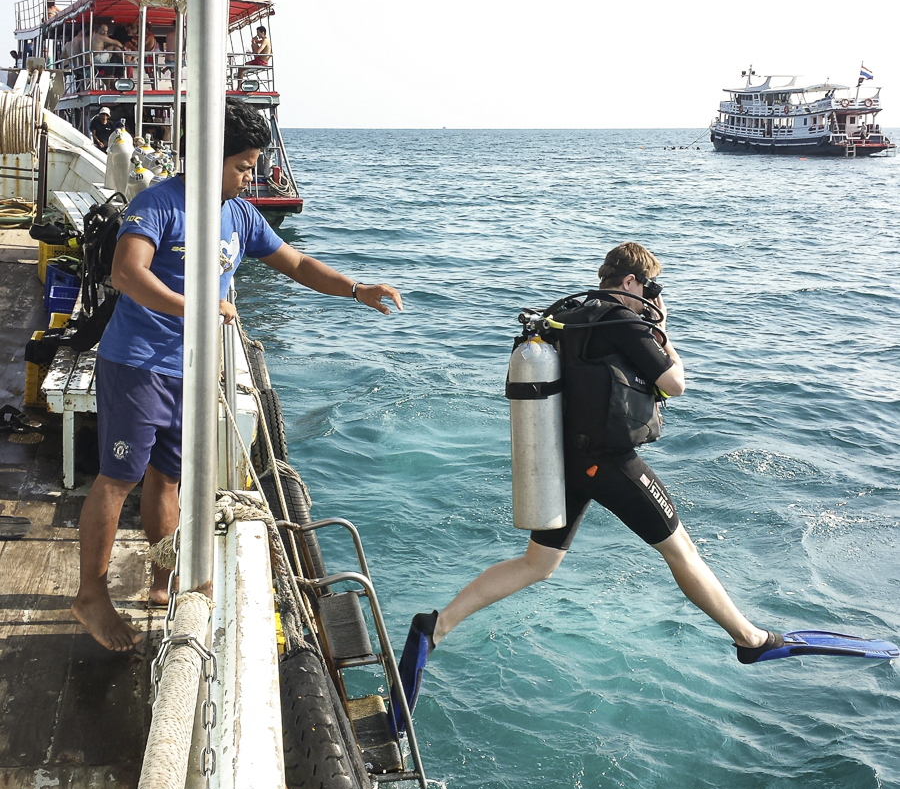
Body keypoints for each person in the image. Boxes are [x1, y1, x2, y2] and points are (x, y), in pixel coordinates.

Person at [71, 98, 403, 652]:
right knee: (119, 478)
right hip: (137, 365)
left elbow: (295, 264)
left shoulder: (241, 215)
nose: (251, 175)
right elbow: (126, 273)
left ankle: (163, 578)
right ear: (208, 154)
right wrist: (197, 305)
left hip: (193, 370)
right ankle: (90, 594)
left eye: (252, 164)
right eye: (243, 164)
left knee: (167, 478)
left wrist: (355, 288)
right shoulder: (160, 203)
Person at [398, 242, 782, 718]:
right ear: (629, 283)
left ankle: (434, 627)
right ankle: (750, 639)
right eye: (650, 288)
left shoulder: (572, 314)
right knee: (681, 551)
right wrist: (662, 328)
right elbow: (675, 383)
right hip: (609, 462)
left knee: (537, 565)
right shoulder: (625, 322)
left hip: (565, 459)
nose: (651, 297)